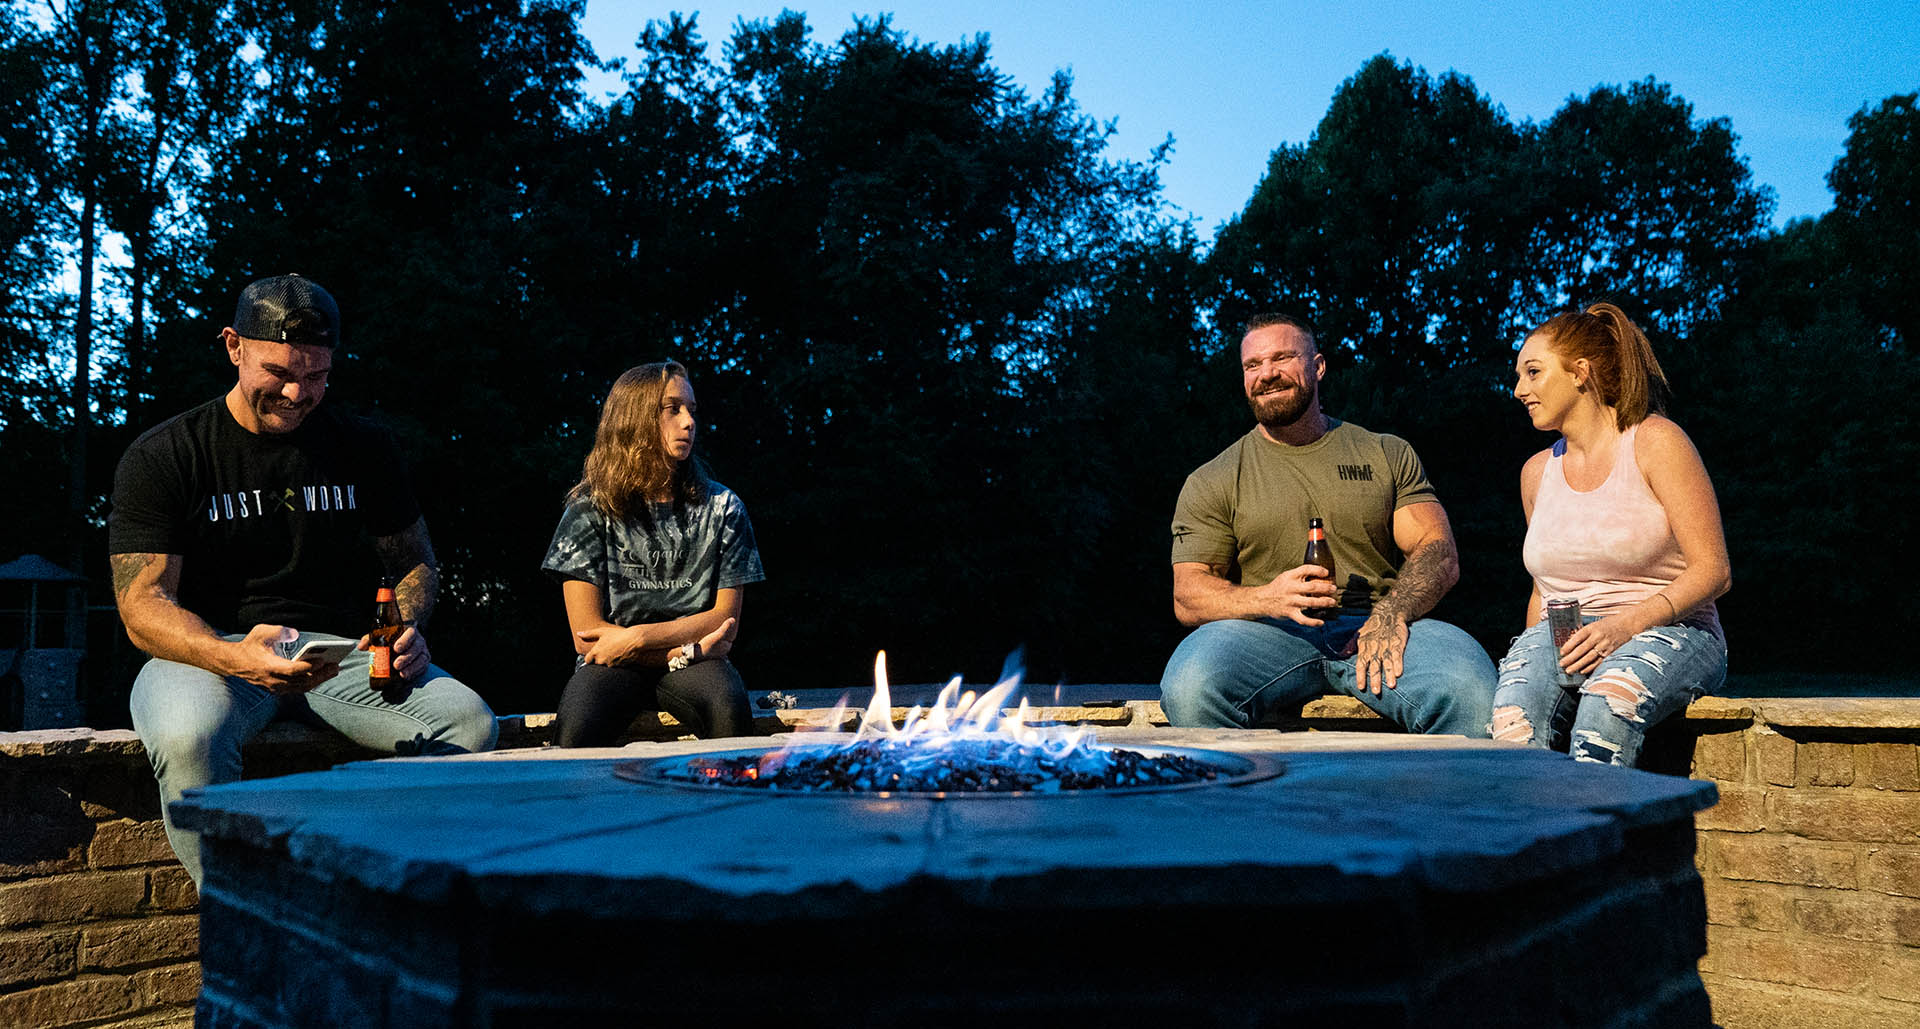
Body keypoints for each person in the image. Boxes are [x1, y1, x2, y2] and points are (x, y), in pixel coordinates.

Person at [109, 274, 498, 885]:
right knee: (188, 735)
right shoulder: (166, 454)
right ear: (234, 346)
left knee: (468, 724)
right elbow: (142, 603)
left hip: (339, 655)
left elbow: (416, 563)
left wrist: (404, 627)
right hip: (209, 653)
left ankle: (375, 889)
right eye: (281, 373)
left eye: (317, 376)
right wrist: (231, 656)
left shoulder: (364, 447)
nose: (298, 392)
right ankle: (247, 919)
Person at [1159, 313, 1495, 734]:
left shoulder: (1385, 452)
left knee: (1471, 689)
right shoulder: (1214, 477)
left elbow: (1438, 550)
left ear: (1317, 366)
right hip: (1266, 635)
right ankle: (1248, 799)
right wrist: (1267, 598)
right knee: (1191, 686)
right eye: (1253, 365)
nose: (1267, 374)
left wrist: (1393, 610)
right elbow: (1189, 594)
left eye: (1282, 358)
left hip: (1377, 625)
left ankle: (1429, 801)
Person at [1493, 303, 1730, 767]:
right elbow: (1542, 591)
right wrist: (1534, 669)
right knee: (1514, 719)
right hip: (1569, 636)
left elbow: (1714, 571)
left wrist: (1623, 626)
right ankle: (1536, 836)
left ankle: (1601, 835)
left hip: (1674, 629)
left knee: (1606, 706)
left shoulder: (1656, 442)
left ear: (1580, 373)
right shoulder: (1537, 472)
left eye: (1534, 373)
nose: (1520, 390)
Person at [541, 361, 764, 746]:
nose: (689, 421)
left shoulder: (723, 507)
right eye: (673, 408)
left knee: (727, 705)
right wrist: (684, 650)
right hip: (619, 662)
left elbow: (725, 619)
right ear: (636, 418)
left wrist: (639, 638)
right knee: (578, 722)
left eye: (692, 409)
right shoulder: (588, 511)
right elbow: (587, 637)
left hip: (694, 664)